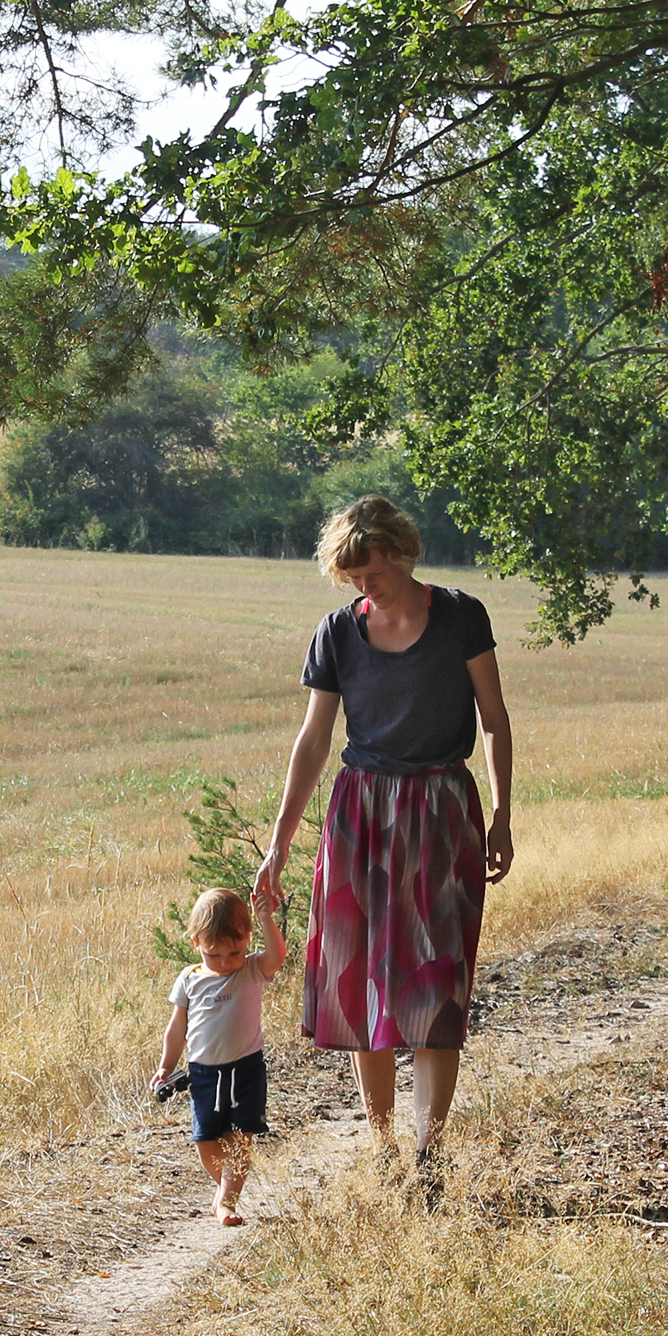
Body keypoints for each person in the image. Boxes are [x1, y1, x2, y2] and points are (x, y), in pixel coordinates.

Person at [253, 497, 513, 1183]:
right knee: (357, 980)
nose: (361, 587)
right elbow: (313, 741)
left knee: (435, 987)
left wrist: (503, 814)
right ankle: (382, 1148)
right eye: (351, 578)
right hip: (359, 814)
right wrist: (278, 842)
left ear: (400, 553)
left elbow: (493, 720)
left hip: (441, 810)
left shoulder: (461, 616)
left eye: (369, 573)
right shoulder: (337, 633)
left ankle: (429, 1156)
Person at [151, 887, 286, 1225]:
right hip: (204, 1075)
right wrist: (165, 1066)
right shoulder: (189, 979)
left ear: (246, 938)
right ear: (196, 942)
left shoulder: (252, 969)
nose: (226, 963)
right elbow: (176, 1029)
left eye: (234, 952)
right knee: (206, 1141)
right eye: (215, 955)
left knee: (240, 1136)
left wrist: (267, 919)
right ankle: (225, 1192)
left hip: (246, 1070)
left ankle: (226, 1201)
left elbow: (277, 957)